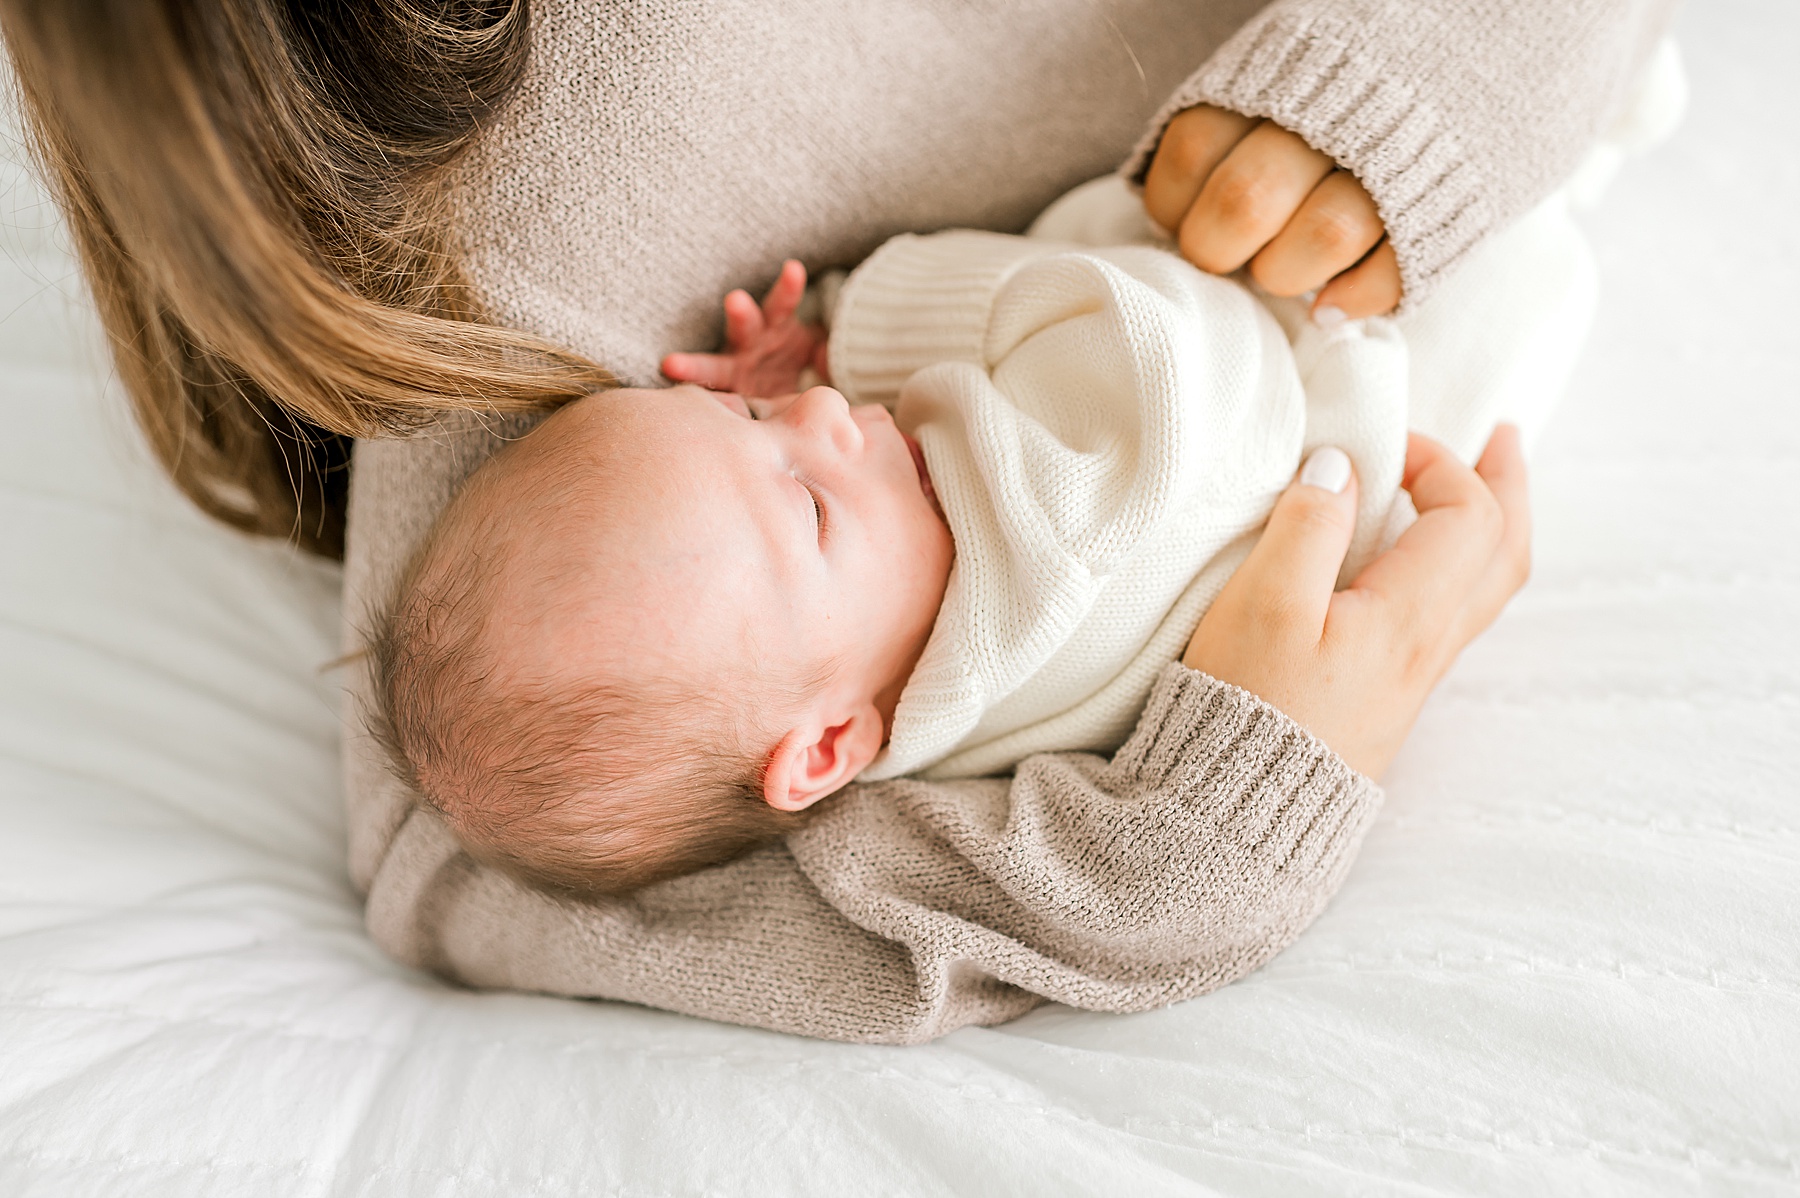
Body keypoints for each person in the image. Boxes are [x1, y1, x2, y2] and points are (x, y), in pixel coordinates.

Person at [0, 0, 1671, 1042]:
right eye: (786, 474)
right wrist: (1195, 830)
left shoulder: (779, 474)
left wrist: (1424, 87)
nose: (797, 408)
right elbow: (468, 848)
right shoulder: (540, 189)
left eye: (747, 414)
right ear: (823, 744)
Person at [368, 166, 1591, 896]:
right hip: (1401, 347)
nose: (830, 411)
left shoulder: (904, 726)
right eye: (802, 497)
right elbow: (1170, 336)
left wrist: (807, 415)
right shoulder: (1053, 527)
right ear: (824, 745)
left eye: (749, 409)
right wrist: (881, 323)